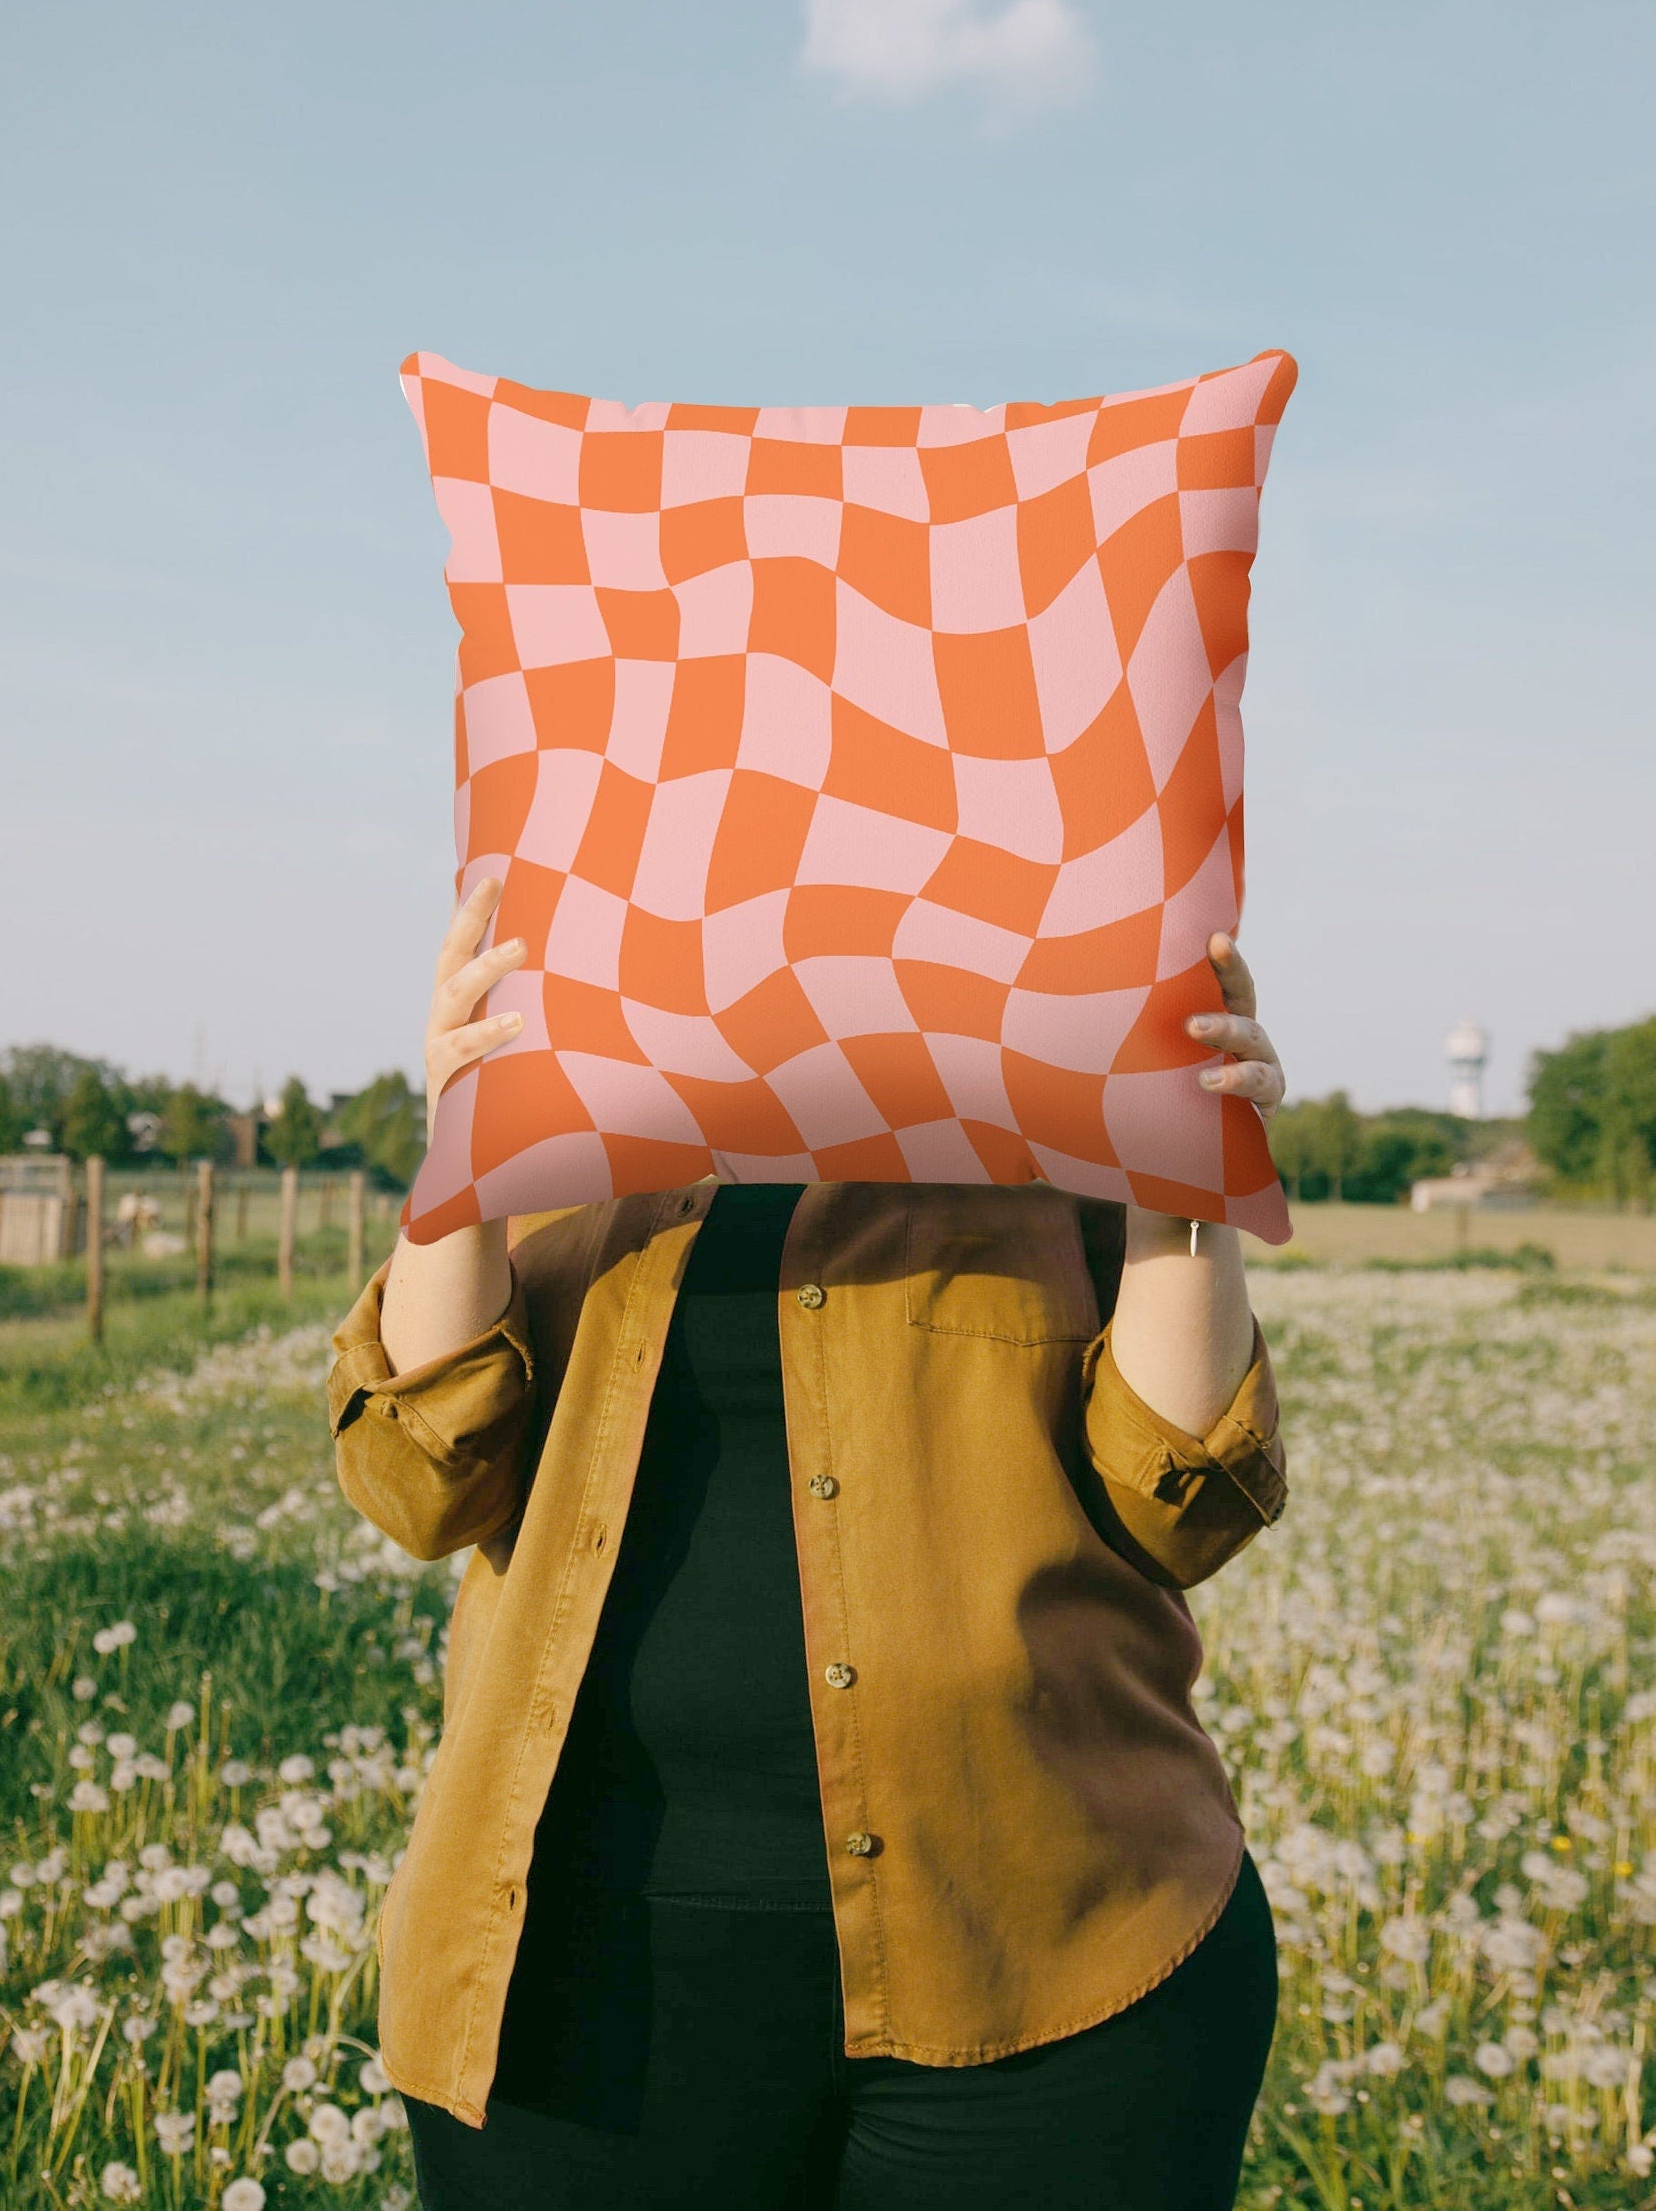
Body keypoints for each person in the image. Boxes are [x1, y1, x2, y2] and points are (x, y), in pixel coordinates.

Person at [328, 874, 1291, 2211]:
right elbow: (417, 1481)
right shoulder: (583, 1105)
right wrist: (468, 1146)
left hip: (1053, 1960)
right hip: (582, 1984)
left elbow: (1183, 1501)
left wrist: (1187, 1173)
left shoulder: (1049, 1087)